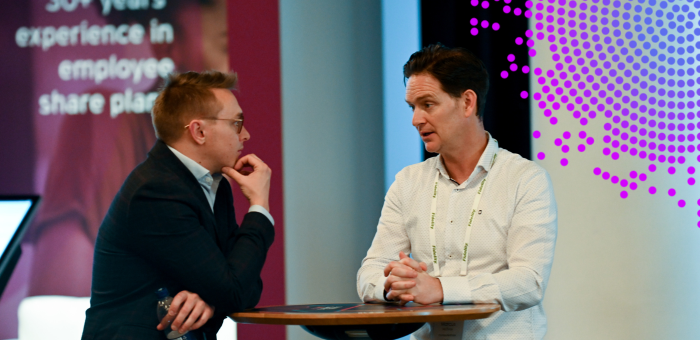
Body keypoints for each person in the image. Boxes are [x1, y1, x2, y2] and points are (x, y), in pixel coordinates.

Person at [357, 44, 557, 339]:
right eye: (412, 107)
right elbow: (370, 271)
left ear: (467, 103)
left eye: (428, 104)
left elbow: (529, 282)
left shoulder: (525, 179)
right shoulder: (408, 181)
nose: (416, 120)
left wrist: (439, 289)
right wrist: (394, 285)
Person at [81, 71, 275, 339]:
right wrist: (259, 207)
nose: (246, 135)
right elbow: (234, 290)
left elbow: (246, 287)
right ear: (199, 131)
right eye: (236, 123)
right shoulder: (156, 190)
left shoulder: (213, 184)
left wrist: (211, 298)